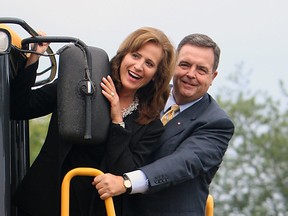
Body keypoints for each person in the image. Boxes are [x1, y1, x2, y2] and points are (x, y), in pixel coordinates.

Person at [10, 27, 175, 216]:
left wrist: (117, 119)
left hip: (95, 209)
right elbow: (20, 108)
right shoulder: (80, 81)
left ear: (156, 75)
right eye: (135, 56)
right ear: (123, 55)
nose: (138, 66)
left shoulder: (151, 126)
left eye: (149, 63)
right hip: (44, 203)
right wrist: (34, 57)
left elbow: (124, 173)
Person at [93, 33, 235, 215]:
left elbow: (182, 163)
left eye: (201, 70)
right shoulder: (144, 95)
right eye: (185, 65)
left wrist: (126, 182)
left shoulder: (217, 123)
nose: (191, 74)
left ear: (213, 76)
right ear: (173, 64)